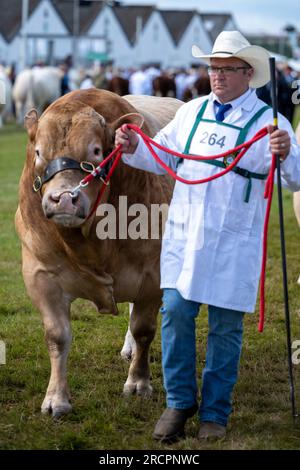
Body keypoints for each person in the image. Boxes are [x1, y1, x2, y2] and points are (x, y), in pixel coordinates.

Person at [115, 31, 300, 442]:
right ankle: (179, 403)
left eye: (226, 68)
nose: (216, 75)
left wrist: (287, 152)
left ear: (247, 73)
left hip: (235, 242)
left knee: (225, 329)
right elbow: (160, 156)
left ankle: (216, 411)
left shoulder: (270, 123)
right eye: (212, 67)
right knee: (175, 315)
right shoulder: (192, 112)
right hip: (185, 236)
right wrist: (132, 145)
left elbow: (296, 179)